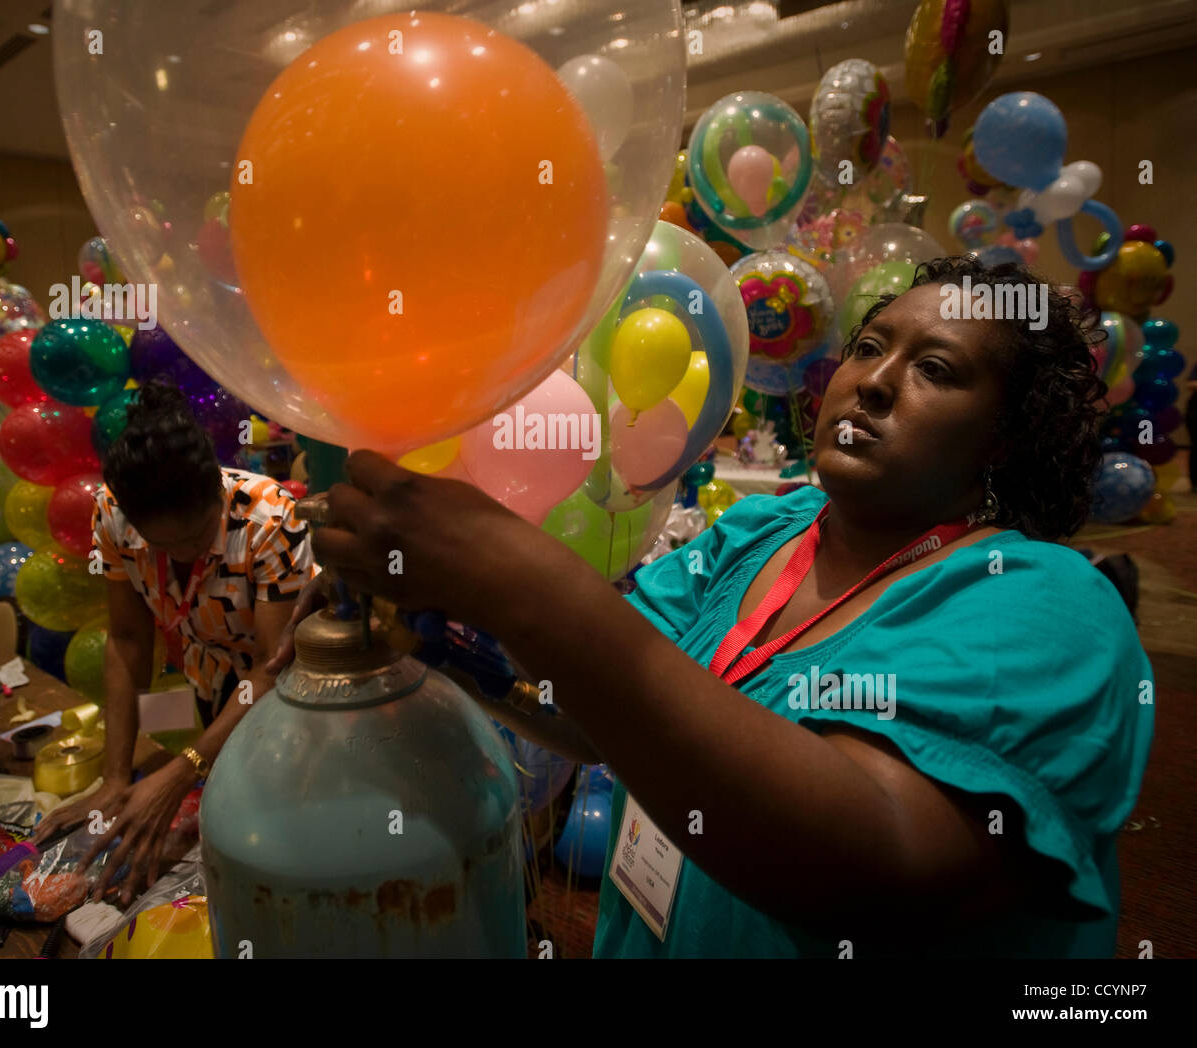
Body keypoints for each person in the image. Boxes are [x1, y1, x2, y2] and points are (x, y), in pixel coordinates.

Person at [278, 255, 1153, 957]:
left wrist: (525, 579)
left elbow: (883, 866)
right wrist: (459, 636)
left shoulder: (1044, 604)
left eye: (934, 369)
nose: (873, 383)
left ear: (1005, 436)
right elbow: (608, 713)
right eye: (868, 347)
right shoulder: (770, 532)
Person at [37, 381, 316, 902]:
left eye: (195, 537)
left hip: (286, 697)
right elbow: (127, 640)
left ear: (215, 490)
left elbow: (269, 668)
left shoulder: (269, 517)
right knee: (218, 826)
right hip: (210, 684)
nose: (181, 551)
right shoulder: (112, 515)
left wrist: (179, 770)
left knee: (286, 836)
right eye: (161, 544)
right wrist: (115, 777)